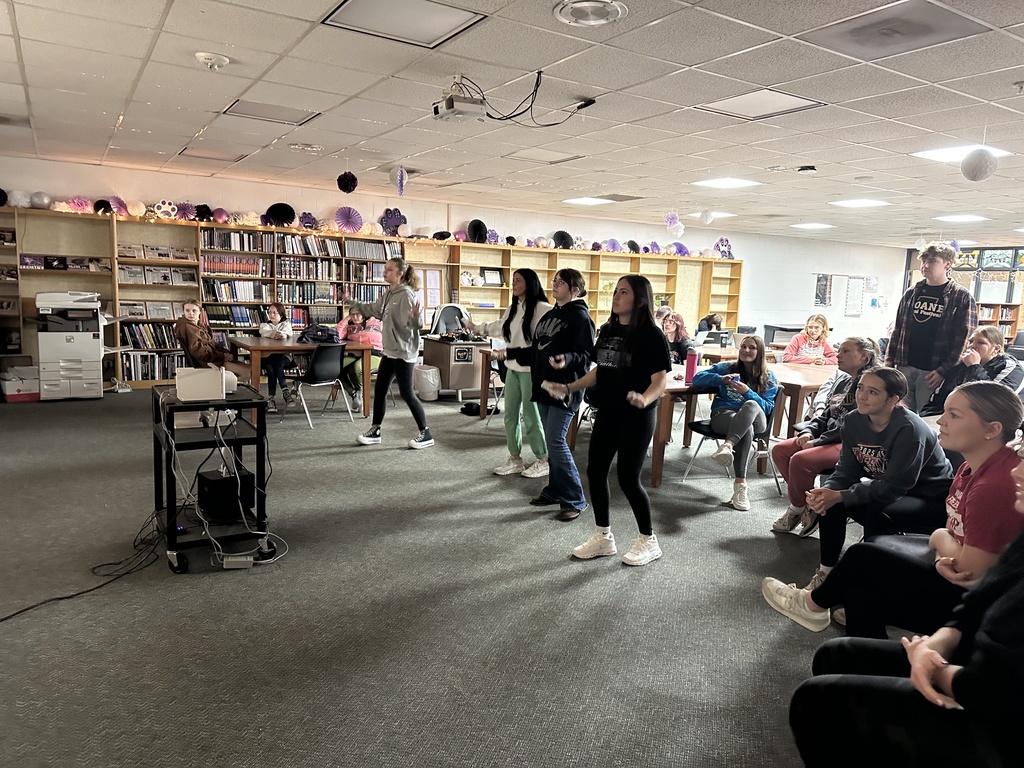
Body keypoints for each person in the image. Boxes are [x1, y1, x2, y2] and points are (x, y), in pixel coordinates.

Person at [786, 437, 1024, 767]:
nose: (1018, 471)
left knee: (814, 701)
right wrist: (940, 643)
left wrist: (935, 669)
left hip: (1003, 724)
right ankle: (815, 604)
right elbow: (978, 599)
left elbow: (997, 694)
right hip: (973, 664)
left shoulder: (994, 483)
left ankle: (814, 604)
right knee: (835, 652)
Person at [763, 381, 1024, 637]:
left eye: (953, 415)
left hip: (978, 600)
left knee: (862, 557)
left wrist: (938, 538)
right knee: (858, 582)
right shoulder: (972, 466)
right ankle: (861, 661)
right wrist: (831, 492)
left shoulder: (995, 484)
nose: (941, 421)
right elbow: (958, 530)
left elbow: (969, 571)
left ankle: (812, 605)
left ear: (992, 429)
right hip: (953, 559)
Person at [547, 275, 671, 566]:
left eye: (623, 292)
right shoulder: (608, 329)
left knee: (628, 479)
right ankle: (603, 537)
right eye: (615, 291)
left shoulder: (652, 334)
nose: (616, 296)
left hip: (637, 417)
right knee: (596, 471)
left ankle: (648, 540)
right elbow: (599, 371)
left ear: (640, 299)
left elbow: (660, 381)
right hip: (608, 412)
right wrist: (570, 387)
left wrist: (645, 398)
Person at [796, 368, 953, 591]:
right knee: (831, 504)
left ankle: (869, 586)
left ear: (893, 399)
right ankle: (827, 573)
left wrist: (841, 495)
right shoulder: (853, 421)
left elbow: (894, 487)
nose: (861, 395)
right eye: (860, 388)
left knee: (875, 511)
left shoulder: (910, 429)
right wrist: (828, 492)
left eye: (873, 392)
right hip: (889, 487)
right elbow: (846, 470)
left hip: (928, 495)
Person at [771, 337, 880, 534]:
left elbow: (851, 426)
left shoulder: (870, 387)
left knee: (800, 460)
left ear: (863, 357)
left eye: (846, 351)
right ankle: (809, 505)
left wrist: (817, 441)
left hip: (850, 443)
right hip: (827, 436)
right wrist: (808, 431)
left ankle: (797, 509)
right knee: (780, 450)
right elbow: (827, 415)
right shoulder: (845, 381)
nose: (838, 355)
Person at [467, 268, 553, 477]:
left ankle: (543, 459)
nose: (514, 284)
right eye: (513, 280)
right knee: (510, 416)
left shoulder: (543, 309)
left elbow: (549, 338)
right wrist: (477, 327)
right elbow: (500, 326)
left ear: (530, 283)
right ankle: (515, 458)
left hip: (530, 371)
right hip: (513, 368)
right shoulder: (513, 308)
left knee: (531, 417)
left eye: (518, 281)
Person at [530, 268, 595, 521]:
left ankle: (575, 499)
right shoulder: (551, 314)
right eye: (554, 281)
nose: (554, 285)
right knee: (551, 443)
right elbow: (538, 348)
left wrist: (566, 359)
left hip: (564, 389)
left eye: (560, 282)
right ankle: (556, 490)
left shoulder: (581, 318)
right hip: (544, 386)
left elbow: (587, 356)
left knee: (557, 442)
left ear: (575, 290)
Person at [348, 257, 433, 449]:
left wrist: (416, 319)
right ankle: (375, 430)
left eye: (389, 270)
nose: (384, 273)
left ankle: (426, 433)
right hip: (390, 351)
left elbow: (417, 325)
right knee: (380, 390)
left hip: (404, 352)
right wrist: (351, 301)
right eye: (385, 269)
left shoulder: (407, 295)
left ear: (400, 274)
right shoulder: (388, 294)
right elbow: (373, 310)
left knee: (406, 393)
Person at [885, 242, 978, 412]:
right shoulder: (912, 292)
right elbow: (898, 329)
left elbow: (963, 340)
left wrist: (944, 370)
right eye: (924, 261)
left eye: (933, 261)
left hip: (933, 371)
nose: (926, 265)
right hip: (905, 365)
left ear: (947, 264)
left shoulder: (961, 296)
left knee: (925, 418)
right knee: (901, 416)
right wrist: (889, 361)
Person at [691, 336, 779, 511]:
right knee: (745, 430)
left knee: (751, 405)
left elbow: (768, 408)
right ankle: (740, 486)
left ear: (759, 351)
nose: (746, 350)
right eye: (743, 347)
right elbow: (697, 378)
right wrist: (719, 379)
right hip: (725, 416)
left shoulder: (768, 377)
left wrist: (748, 393)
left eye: (751, 348)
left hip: (757, 419)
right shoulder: (727, 368)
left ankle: (727, 445)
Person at [920, 325, 1024, 416]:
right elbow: (940, 397)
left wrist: (974, 366)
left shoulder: (1010, 367)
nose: (972, 346)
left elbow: (992, 399)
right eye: (970, 341)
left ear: (996, 348)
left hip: (984, 419)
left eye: (980, 342)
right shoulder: (963, 363)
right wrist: (925, 416)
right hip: (948, 415)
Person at [173, 299, 250, 383]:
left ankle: (226, 388)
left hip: (215, 357)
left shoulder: (201, 326)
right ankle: (221, 390)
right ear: (184, 311)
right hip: (208, 361)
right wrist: (223, 356)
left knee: (250, 369)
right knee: (247, 372)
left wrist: (226, 353)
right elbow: (199, 352)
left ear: (200, 312)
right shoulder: (187, 327)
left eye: (194, 311)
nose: (191, 313)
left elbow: (214, 344)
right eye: (187, 310)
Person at [336, 307, 383, 413]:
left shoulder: (376, 322)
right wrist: (346, 319)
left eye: (358, 314)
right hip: (355, 354)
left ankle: (361, 396)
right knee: (333, 367)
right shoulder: (349, 326)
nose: (355, 317)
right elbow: (336, 336)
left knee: (358, 367)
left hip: (375, 354)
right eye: (352, 314)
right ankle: (353, 393)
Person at [258, 302, 293, 413]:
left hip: (285, 357)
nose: (271, 315)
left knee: (274, 363)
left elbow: (288, 333)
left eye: (274, 312)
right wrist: (275, 334)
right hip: (269, 357)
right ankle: (285, 392)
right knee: (271, 365)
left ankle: (271, 399)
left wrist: (281, 335)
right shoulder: (264, 325)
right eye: (269, 312)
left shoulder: (286, 324)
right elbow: (263, 331)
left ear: (281, 314)